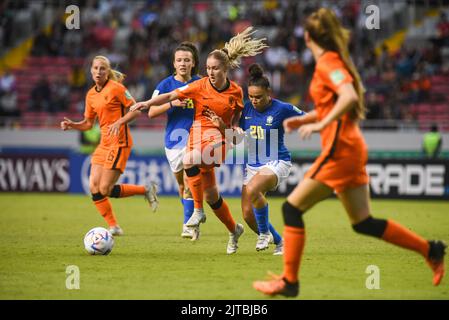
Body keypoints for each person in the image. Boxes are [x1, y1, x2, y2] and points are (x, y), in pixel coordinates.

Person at [253, 8, 446, 297]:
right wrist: (306, 120)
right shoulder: (332, 62)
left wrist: (323, 123)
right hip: (351, 148)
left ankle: (289, 281)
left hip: (339, 151)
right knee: (363, 223)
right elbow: (336, 102)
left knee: (291, 208)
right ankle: (431, 249)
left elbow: (349, 97)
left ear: (307, 36)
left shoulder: (328, 62)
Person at [111, 27, 268, 254]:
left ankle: (196, 211)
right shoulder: (199, 85)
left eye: (215, 68)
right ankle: (234, 230)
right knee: (212, 197)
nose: (211, 72)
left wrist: (230, 133)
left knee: (189, 159)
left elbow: (237, 124)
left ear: (225, 69)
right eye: (208, 68)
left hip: (217, 140)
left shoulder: (235, 92)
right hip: (197, 136)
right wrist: (146, 103)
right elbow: (171, 95)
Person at [60, 55, 158, 236]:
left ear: (108, 71)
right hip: (103, 144)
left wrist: (120, 122)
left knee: (105, 189)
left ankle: (145, 189)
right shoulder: (90, 95)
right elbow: (88, 123)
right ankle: (114, 226)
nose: (98, 71)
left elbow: (136, 109)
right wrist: (73, 125)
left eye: (102, 68)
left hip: (120, 143)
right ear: (91, 70)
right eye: (96, 68)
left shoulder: (117, 88)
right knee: (94, 188)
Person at [238, 63, 305, 255]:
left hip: (277, 161)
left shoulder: (282, 108)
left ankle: (264, 233)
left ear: (269, 92)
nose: (254, 101)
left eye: (258, 97)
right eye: (251, 97)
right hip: (252, 164)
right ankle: (280, 242)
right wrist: (225, 129)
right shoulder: (246, 110)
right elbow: (239, 138)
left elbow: (306, 118)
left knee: (253, 189)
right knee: (248, 214)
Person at [148, 42, 201, 240]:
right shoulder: (165, 85)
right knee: (181, 185)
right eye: (179, 60)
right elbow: (152, 112)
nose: (183, 63)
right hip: (173, 141)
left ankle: (189, 225)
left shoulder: (200, 83)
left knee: (189, 181)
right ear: (174, 63)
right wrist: (172, 103)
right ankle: (191, 215)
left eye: (187, 60)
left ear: (193, 63)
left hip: (195, 138)